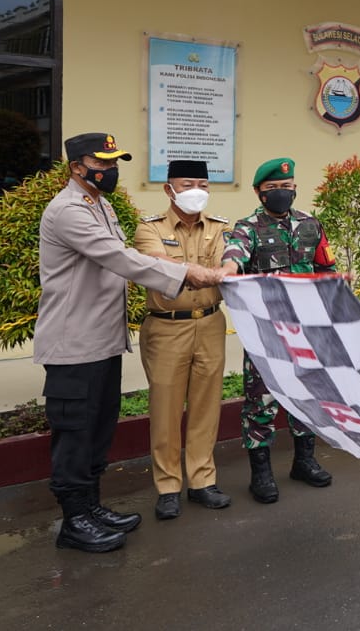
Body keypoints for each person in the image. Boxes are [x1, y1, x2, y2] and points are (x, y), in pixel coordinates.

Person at [35, 133, 223, 553]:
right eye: (102, 162)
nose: (111, 169)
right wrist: (189, 273)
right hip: (73, 343)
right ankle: (73, 520)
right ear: (77, 167)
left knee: (98, 430)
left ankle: (91, 506)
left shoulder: (98, 205)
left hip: (102, 340)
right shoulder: (68, 210)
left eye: (115, 160)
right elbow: (121, 259)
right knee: (75, 432)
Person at [221, 157, 336, 504]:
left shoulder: (309, 225)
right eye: (273, 189)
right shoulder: (248, 228)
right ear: (259, 193)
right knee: (261, 402)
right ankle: (262, 475)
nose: (282, 193)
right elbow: (234, 253)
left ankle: (304, 461)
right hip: (266, 334)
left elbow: (325, 267)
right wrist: (227, 266)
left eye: (287, 187)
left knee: (308, 395)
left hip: (305, 331)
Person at [133, 159, 232, 521]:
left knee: (207, 407)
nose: (197, 191)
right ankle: (168, 486)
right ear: (168, 189)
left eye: (203, 185)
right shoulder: (149, 230)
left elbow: (229, 264)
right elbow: (159, 267)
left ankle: (202, 480)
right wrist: (208, 274)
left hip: (209, 324)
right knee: (165, 409)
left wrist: (220, 272)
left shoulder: (221, 228)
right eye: (188, 183)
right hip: (166, 328)